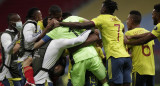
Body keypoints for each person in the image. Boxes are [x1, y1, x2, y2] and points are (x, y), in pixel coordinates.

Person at [54, 0, 131, 86]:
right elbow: (122, 31)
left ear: (105, 9)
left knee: (113, 83)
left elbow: (82, 25)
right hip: (126, 57)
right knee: (125, 83)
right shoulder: (118, 20)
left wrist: (61, 24)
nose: (100, 9)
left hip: (115, 56)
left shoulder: (102, 18)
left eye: (102, 7)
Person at [125, 10, 155, 86]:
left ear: (131, 21)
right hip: (151, 69)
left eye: (127, 19)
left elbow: (125, 54)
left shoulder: (129, 34)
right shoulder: (148, 33)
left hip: (139, 69)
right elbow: (152, 48)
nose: (126, 22)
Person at [0, 13, 22, 86]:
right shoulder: (6, 35)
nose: (20, 22)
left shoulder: (19, 34)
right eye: (18, 20)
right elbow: (9, 51)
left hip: (18, 72)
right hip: (9, 73)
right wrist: (17, 40)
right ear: (11, 23)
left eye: (20, 20)